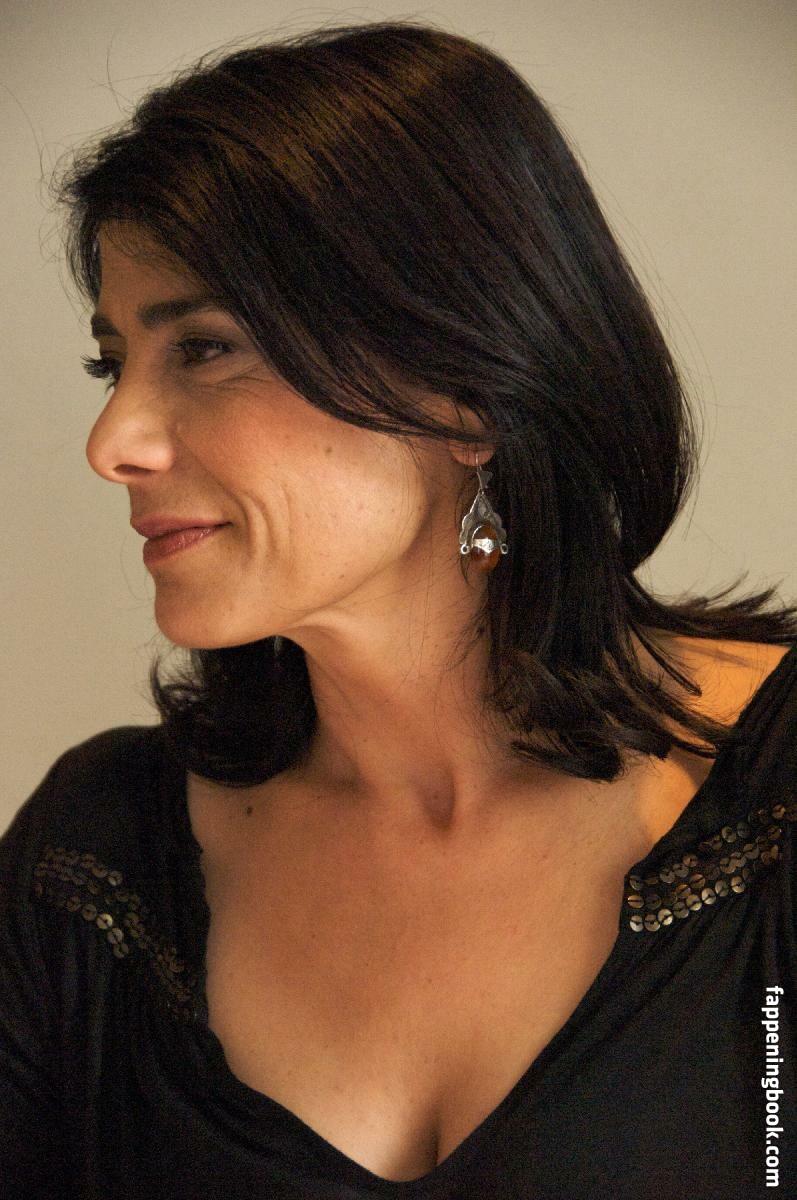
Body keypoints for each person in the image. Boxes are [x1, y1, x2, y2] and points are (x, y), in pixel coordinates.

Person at [1, 19, 795, 1199]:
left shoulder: (771, 797)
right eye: (112, 363)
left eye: (204, 348)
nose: (113, 441)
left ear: (466, 388)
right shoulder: (98, 853)